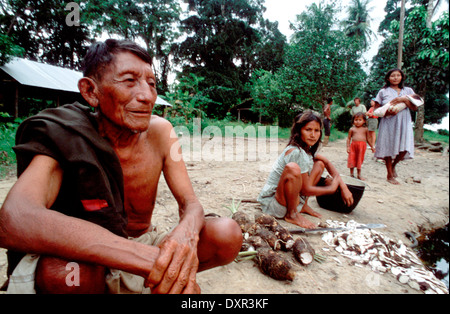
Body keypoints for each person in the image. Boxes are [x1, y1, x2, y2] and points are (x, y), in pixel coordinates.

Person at [0, 39, 242, 294]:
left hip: (144, 242)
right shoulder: (67, 137)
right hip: (88, 257)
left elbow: (191, 204)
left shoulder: (161, 132)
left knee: (227, 234)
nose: (147, 96)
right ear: (91, 91)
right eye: (129, 81)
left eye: (152, 84)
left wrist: (186, 234)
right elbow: (13, 219)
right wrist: (151, 262)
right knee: (67, 274)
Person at [257, 111, 354, 229]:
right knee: (293, 168)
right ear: (299, 131)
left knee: (319, 165)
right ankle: (292, 214)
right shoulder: (296, 151)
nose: (313, 135)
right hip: (274, 204)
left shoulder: (306, 150)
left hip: (289, 199)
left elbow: (327, 162)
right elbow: (306, 190)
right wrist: (332, 188)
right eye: (308, 130)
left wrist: (343, 187)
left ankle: (302, 205)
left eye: (316, 131)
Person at [374, 68, 423, 185]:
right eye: (392, 76)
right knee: (388, 147)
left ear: (402, 77)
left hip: (404, 122)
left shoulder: (408, 91)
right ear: (388, 78)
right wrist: (387, 113)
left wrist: (403, 99)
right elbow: (376, 109)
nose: (395, 78)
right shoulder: (383, 92)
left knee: (405, 147)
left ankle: (394, 165)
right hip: (388, 122)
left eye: (398, 75)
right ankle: (389, 174)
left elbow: (415, 107)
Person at [347, 112, 375, 180]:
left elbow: (368, 139)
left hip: (362, 147)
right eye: (356, 120)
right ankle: (351, 174)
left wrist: (372, 146)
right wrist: (348, 147)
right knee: (352, 159)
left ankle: (359, 175)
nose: (358, 122)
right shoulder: (352, 129)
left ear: (364, 121)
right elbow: (348, 138)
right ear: (353, 121)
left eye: (360, 120)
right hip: (353, 146)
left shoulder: (365, 129)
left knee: (359, 159)